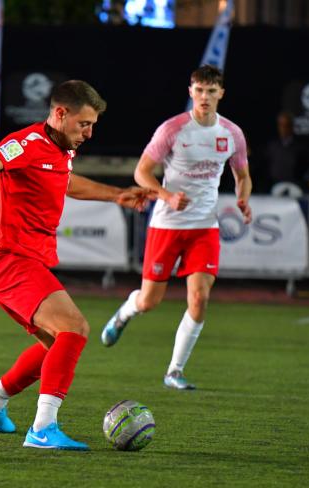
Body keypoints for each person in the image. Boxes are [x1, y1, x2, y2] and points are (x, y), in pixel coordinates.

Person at [0, 80, 155, 451]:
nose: (89, 133)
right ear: (60, 113)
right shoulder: (27, 143)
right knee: (74, 328)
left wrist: (117, 195)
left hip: (25, 261)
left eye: (92, 125)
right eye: (84, 124)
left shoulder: (61, 149)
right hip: (7, 259)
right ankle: (42, 429)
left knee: (55, 344)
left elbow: (66, 182)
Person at [101, 65, 252, 391]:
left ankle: (174, 371)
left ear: (221, 94)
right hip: (167, 225)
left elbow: (242, 175)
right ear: (190, 92)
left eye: (211, 91)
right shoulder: (173, 129)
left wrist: (243, 199)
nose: (204, 97)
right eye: (199, 90)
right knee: (149, 302)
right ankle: (125, 312)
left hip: (204, 227)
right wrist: (166, 196)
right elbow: (142, 172)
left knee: (199, 298)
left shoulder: (232, 134)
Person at [262, 111, 309, 193]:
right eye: (281, 125)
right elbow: (266, 167)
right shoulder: (272, 146)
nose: (283, 128)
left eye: (287, 125)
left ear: (291, 126)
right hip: (274, 186)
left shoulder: (300, 147)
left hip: (295, 187)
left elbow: (306, 168)